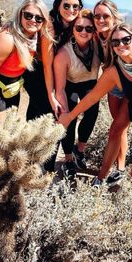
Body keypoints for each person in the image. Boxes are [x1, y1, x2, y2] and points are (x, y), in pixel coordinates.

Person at [58, 24, 132, 187]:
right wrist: (70, 116)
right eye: (115, 43)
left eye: (126, 40)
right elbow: (92, 97)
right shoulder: (113, 72)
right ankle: (101, 177)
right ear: (111, 47)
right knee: (115, 130)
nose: (121, 45)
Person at [23, 0, 83, 172]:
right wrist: (52, 94)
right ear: (58, 6)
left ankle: (36, 164)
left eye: (75, 6)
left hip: (56, 73)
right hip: (38, 73)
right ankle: (41, 167)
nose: (71, 9)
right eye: (66, 5)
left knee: (41, 114)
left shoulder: (75, 25)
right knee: (51, 113)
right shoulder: (49, 26)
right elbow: (47, 65)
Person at [0, 0, 51, 118]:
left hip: (12, 88)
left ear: (43, 22)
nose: (33, 21)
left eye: (39, 18)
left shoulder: (36, 39)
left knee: (10, 126)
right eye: (28, 15)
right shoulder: (7, 39)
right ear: (20, 14)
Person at [53, 9, 101, 178]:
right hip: (69, 85)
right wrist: (66, 113)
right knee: (69, 118)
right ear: (72, 29)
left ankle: (79, 150)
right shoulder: (63, 54)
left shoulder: (98, 45)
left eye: (89, 29)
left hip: (90, 82)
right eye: (79, 28)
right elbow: (59, 88)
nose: (84, 32)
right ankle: (67, 160)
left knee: (93, 112)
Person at [93, 0, 131, 183]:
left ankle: (103, 176)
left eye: (105, 16)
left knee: (116, 128)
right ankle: (120, 168)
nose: (100, 19)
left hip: (131, 87)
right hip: (113, 86)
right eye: (97, 16)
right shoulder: (95, 35)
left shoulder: (122, 34)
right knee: (119, 127)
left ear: (114, 17)